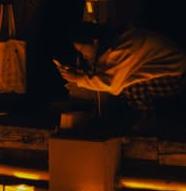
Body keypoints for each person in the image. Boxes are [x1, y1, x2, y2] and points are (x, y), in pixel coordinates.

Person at [55, 23, 186, 122]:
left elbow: (112, 84)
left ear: (94, 42)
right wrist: (80, 75)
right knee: (125, 86)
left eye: (83, 50)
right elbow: (106, 73)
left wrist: (79, 80)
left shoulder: (124, 48)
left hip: (176, 75)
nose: (83, 55)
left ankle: (147, 119)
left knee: (129, 87)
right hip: (165, 72)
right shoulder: (112, 47)